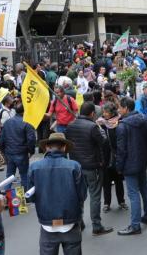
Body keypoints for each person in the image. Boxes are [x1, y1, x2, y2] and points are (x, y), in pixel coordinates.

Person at [28, 133, 87, 255]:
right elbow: (82, 195)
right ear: (64, 148)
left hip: (47, 223)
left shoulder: (34, 167)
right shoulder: (74, 166)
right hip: (71, 221)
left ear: (47, 148)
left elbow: (31, 196)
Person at [65, 102, 113, 236]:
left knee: (79, 196)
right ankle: (96, 226)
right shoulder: (92, 127)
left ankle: (79, 222)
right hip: (93, 166)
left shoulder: (70, 125)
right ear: (92, 113)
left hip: (76, 166)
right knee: (95, 196)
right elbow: (103, 142)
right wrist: (101, 130)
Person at [116, 97, 147, 236]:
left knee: (133, 194)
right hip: (142, 161)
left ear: (126, 108)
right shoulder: (142, 119)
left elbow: (121, 150)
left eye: (120, 107)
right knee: (144, 188)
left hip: (130, 164)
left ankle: (135, 225)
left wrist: (119, 167)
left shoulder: (123, 125)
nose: (119, 110)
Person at [96, 102, 127, 212]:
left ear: (112, 112)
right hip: (105, 156)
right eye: (103, 112)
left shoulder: (119, 122)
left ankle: (121, 201)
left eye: (106, 112)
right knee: (106, 181)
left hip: (117, 155)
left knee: (118, 180)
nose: (104, 114)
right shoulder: (100, 123)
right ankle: (107, 203)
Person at [0, 103, 36, 190]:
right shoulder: (27, 123)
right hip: (21, 153)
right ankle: (26, 197)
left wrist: (3, 151)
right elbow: (31, 140)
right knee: (24, 175)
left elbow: (2, 138)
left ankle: (6, 194)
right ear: (24, 112)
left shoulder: (8, 122)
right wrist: (31, 151)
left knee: (9, 175)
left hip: (10, 153)